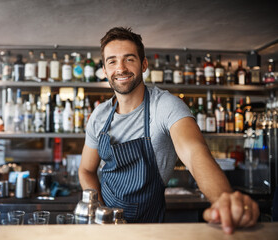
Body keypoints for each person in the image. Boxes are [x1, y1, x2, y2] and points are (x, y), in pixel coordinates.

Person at [78, 27, 259, 234]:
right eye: (112, 61)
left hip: (150, 227)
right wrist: (100, 211)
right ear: (104, 70)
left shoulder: (165, 105)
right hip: (105, 225)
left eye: (129, 59)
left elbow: (194, 151)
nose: (120, 68)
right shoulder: (99, 115)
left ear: (144, 64)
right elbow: (86, 170)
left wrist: (223, 199)